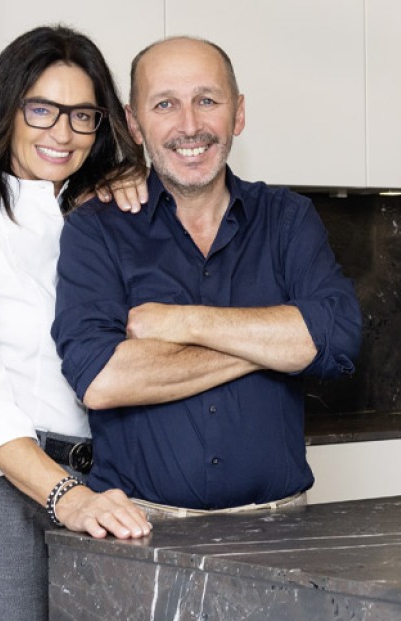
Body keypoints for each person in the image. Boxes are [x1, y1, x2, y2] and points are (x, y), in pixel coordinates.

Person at [52, 36, 362, 518]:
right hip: (139, 527)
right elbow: (101, 379)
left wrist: (184, 323)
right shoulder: (95, 229)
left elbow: (338, 338)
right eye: (165, 104)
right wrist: (272, 348)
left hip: (281, 526)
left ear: (238, 113)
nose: (190, 125)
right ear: (134, 124)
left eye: (207, 100)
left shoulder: (287, 218)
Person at [0, 25, 153, 621]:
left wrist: (132, 179)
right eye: (42, 110)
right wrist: (67, 496)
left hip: (97, 479)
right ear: (6, 110)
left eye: (82, 116)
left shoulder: (96, 216)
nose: (62, 134)